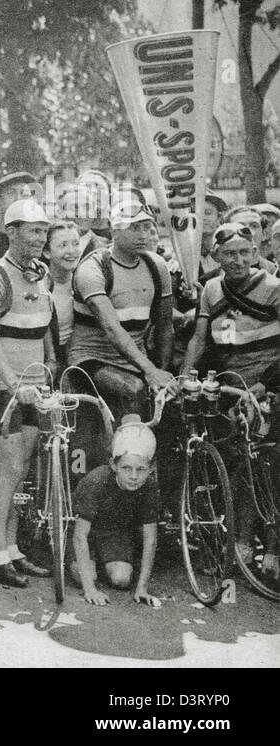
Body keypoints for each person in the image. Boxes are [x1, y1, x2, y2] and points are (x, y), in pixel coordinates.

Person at [0, 199, 56, 587]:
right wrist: (13, 386)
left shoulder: (41, 273)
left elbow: (45, 329)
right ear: (12, 231)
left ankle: (14, 551)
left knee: (21, 470)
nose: (40, 238)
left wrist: (51, 363)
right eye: (33, 230)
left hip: (35, 388)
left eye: (44, 231)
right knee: (9, 470)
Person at [67, 203, 176, 417]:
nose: (143, 235)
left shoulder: (157, 265)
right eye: (134, 228)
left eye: (146, 227)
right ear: (113, 229)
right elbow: (111, 328)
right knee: (133, 390)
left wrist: (162, 371)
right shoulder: (94, 268)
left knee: (173, 399)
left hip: (135, 359)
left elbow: (165, 326)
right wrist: (151, 371)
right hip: (91, 359)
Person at [71, 417, 162, 606]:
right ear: (114, 465)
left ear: (150, 469)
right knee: (87, 577)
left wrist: (142, 588)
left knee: (121, 579)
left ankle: (103, 565)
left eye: (141, 469)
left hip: (114, 534)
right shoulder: (96, 481)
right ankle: (85, 566)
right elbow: (80, 536)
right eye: (126, 468)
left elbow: (150, 538)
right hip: (86, 535)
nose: (134, 476)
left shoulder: (150, 487)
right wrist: (90, 589)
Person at [183, 222, 280, 392]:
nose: (239, 261)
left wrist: (267, 383)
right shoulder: (211, 289)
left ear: (255, 253)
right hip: (229, 386)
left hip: (270, 384)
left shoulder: (274, 288)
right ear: (215, 256)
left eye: (244, 252)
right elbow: (199, 340)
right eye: (230, 254)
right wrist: (184, 376)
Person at [44, 221, 83, 362]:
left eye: (76, 244)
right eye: (63, 245)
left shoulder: (84, 282)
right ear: (47, 251)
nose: (72, 251)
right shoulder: (39, 284)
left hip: (76, 356)